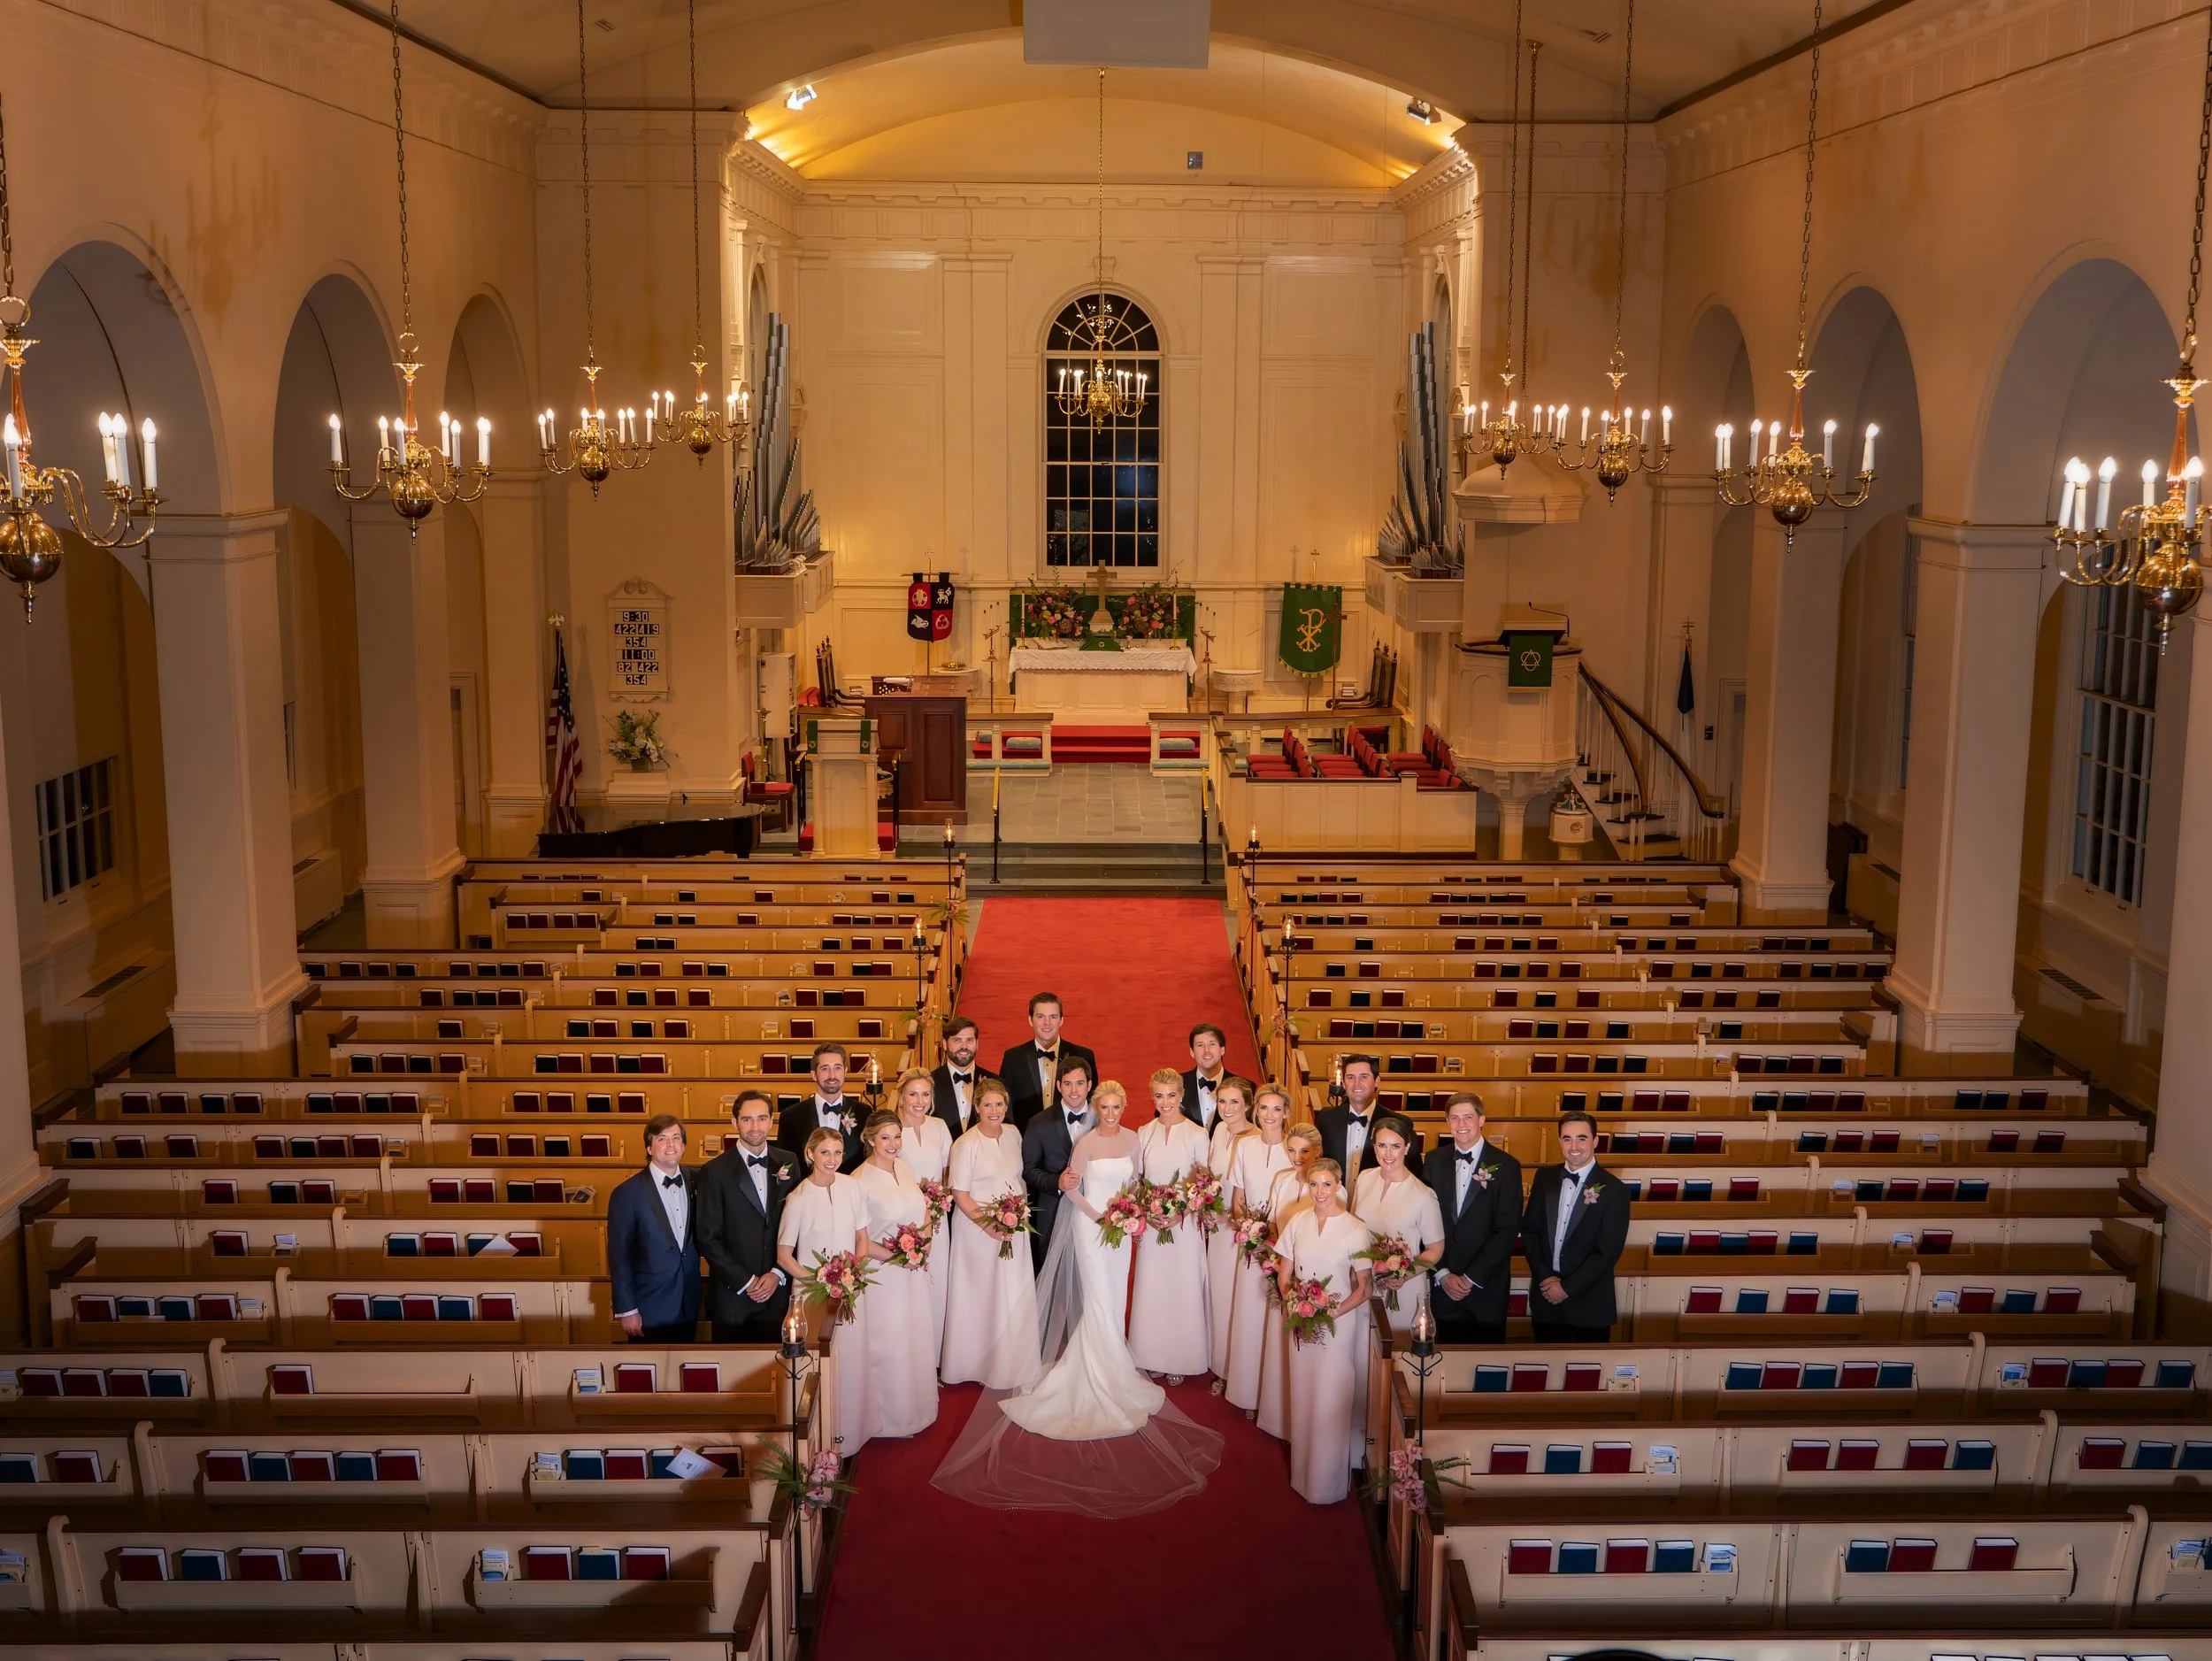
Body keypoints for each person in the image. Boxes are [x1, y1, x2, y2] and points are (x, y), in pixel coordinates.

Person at [931, 1080, 1225, 1518]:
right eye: (1102, 1106)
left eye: (1114, 1105)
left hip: (1122, 1231)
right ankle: (1095, 1369)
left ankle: (1114, 1363)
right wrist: (1102, 1217)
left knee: (1115, 1293)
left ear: (1124, 1106)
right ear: (1097, 1107)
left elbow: (1139, 1181)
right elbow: (1070, 1187)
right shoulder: (1085, 1142)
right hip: (1092, 1228)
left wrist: (1131, 1215)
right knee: (1100, 1297)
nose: (1108, 1111)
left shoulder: (1134, 1139)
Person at [1274, 1158, 1373, 1505]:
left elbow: (1365, 1289)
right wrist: (1297, 1307)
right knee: (1303, 1395)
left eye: (1326, 1184)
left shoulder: (1355, 1228)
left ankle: (1329, 1483)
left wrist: (1330, 1311)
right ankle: (1303, 1476)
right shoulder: (1298, 1220)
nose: (1319, 1192)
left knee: (1330, 1399)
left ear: (1339, 1185)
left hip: (1337, 1326)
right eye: (1314, 1184)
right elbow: (1284, 1275)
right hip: (1301, 1323)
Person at [941, 1076, 1040, 1389]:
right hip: (978, 1230)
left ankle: (1012, 1358)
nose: (994, 1110)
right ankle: (978, 1364)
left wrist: (1016, 1216)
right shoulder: (966, 1144)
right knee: (982, 1295)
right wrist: (991, 1226)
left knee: (1013, 1292)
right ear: (977, 1107)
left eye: (999, 1104)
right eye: (987, 1105)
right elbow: (960, 1193)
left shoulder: (1013, 1134)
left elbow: (1018, 1179)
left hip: (1014, 1226)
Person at [776, 1128, 872, 1448]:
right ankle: (820, 1439)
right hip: (812, 1295)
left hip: (849, 1288)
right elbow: (784, 1255)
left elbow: (861, 1237)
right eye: (825, 1153)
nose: (832, 1159)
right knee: (820, 1363)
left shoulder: (852, 1187)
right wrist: (818, 1282)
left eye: (837, 1152)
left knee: (851, 1356)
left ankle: (853, 1429)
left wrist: (853, 1274)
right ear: (810, 1154)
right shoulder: (798, 1197)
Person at [850, 1111, 941, 1443]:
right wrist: (900, 1258)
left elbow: (925, 1210)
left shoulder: (904, 1168)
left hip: (913, 1273)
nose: (893, 1144)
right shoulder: (859, 1181)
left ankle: (917, 1409)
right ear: (870, 1138)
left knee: (914, 1336)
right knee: (890, 1343)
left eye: (897, 1136)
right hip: (883, 1277)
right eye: (885, 1137)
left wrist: (924, 1245)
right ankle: (889, 1418)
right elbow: (858, 1241)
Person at [1127, 1068, 1211, 1383]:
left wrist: (1182, 1212)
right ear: (1152, 1097)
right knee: (1153, 1287)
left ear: (1181, 1095)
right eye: (1159, 1096)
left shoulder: (1197, 1134)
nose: (1166, 1102)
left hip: (1184, 1225)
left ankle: (1181, 1359)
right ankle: (1152, 1355)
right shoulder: (1143, 1132)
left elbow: (1205, 1182)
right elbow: (1136, 1179)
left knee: (1182, 1287)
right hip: (1151, 1223)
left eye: (1171, 1095)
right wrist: (1145, 1212)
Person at [694, 1088, 796, 1342]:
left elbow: (798, 1226)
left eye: (762, 1118)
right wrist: (747, 1281)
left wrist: (777, 1273)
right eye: (747, 1119)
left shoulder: (789, 1162)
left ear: (771, 1122)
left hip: (779, 1294)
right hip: (733, 1298)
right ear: (734, 1122)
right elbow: (707, 1238)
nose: (755, 1126)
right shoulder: (713, 1171)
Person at [1420, 1093, 1524, 1343]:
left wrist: (1470, 1278)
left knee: (1484, 1369)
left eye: (1468, 1117)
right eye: (1454, 1118)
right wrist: (1442, 1273)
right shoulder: (1434, 1160)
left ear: (1482, 1119)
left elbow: (1507, 1229)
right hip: (1442, 1284)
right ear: (1447, 1123)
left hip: (1485, 1286)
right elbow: (1423, 1220)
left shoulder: (1507, 1166)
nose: (1461, 1124)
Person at [1523, 1111, 1630, 1345]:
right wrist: (1546, 1279)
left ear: (1595, 1140)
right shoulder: (1544, 1178)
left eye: (1581, 1138)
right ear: (1560, 1141)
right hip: (1546, 1300)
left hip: (1589, 1305)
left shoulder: (1615, 1190)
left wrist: (1566, 1288)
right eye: (1567, 1138)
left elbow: (1608, 1252)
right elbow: (1530, 1232)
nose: (1574, 1146)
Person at [1222, 1086, 1294, 1411]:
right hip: (1249, 1247)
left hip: (1281, 1250)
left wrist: (1275, 1243)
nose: (1269, 1115)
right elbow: (1238, 1197)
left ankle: (1271, 1397)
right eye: (1263, 1108)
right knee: (1248, 1315)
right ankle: (1244, 1389)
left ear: (1286, 1114)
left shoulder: (1294, 1151)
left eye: (1276, 1109)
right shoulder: (1244, 1146)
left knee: (1274, 1318)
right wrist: (1246, 1228)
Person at [606, 1115, 702, 1342]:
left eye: (676, 1138)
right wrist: (627, 1309)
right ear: (649, 1147)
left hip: (689, 1301)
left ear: (684, 1145)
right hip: (648, 1306)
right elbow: (620, 1256)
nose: (671, 1145)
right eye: (662, 1139)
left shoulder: (698, 1180)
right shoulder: (626, 1193)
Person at [1253, 1122, 1322, 1434]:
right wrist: (1277, 1263)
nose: (1297, 1157)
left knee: (1305, 1347)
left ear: (1318, 1152)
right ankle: (1277, 1418)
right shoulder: (1281, 1180)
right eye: (1291, 1150)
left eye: (1305, 1151)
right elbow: (1273, 1226)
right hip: (1281, 1271)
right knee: (1279, 1344)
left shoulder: (1330, 1186)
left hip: (1313, 1280)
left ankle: (1303, 1426)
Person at [1350, 1112, 1445, 1324]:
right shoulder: (1364, 1178)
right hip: (1363, 1282)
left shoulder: (1423, 1195)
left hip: (1401, 1287)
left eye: (1396, 1146)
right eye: (1382, 1145)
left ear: (1408, 1147)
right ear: (1374, 1147)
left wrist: (1404, 1275)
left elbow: (1436, 1249)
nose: (1388, 1153)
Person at [893, 1066, 954, 1357]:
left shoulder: (939, 1126)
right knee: (909, 1284)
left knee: (937, 1283)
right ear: (901, 1097)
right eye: (913, 1094)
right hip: (903, 1220)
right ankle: (909, 1357)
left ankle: (935, 1357)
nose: (920, 1100)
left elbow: (947, 1171)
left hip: (937, 1218)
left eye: (925, 1094)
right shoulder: (891, 1129)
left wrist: (939, 1197)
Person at [1019, 1055, 1096, 1269]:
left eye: (1080, 1083)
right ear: (1058, 1086)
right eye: (1068, 1084)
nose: (1074, 1091)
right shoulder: (1038, 1122)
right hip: (1053, 1210)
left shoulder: (1102, 1119)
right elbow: (1029, 1170)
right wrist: (1056, 1183)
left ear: (1089, 1085)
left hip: (1094, 1209)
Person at [1203, 1075, 1256, 1385]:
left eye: (1234, 1101)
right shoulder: (1220, 1129)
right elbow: (1210, 1175)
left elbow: (1257, 1194)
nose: (1227, 1108)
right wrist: (1205, 1206)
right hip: (1214, 1228)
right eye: (1222, 1101)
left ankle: (1241, 1374)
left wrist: (1227, 1219)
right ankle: (1220, 1363)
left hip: (1240, 1231)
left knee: (1239, 1301)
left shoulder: (1257, 1138)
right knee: (1218, 1298)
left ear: (1248, 1104)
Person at [995, 992, 1097, 1129]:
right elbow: (1004, 1102)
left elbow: (1093, 1103)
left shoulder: (1083, 1056)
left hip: (1073, 1139)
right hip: (1026, 1140)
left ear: (1061, 1020)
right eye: (1040, 1016)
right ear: (1030, 1020)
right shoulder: (1013, 1058)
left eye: (1053, 1017)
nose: (1047, 1023)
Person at [1317, 1053, 1419, 1177]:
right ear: (1344, 1083)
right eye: (1350, 1077)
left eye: (1364, 1077)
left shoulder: (1401, 1123)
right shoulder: (1326, 1119)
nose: (1356, 1083)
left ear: (1377, 1081)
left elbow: (1414, 1173)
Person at [778, 1043, 866, 1172]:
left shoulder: (864, 1113)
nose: (832, 1075)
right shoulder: (790, 1116)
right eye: (825, 1068)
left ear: (845, 1072)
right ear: (814, 1075)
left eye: (837, 1068)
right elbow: (786, 1165)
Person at [931, 1016, 984, 1142]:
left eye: (970, 1040)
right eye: (957, 1040)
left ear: (977, 1044)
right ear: (945, 1044)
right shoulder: (929, 1082)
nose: (964, 1046)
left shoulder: (996, 1082)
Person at [1179, 1022, 1231, 1134]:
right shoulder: (1177, 1084)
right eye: (1200, 1045)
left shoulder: (1244, 1086)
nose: (1206, 1050)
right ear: (1192, 1052)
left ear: (1222, 1050)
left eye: (1212, 1044)